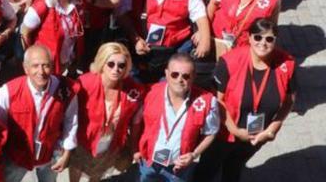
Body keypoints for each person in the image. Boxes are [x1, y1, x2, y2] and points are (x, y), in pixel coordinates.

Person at [196, 20, 296, 182]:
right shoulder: (229, 62)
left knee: (235, 166)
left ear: (276, 41)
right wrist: (235, 131)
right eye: (258, 38)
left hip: (257, 135)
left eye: (269, 39)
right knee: (207, 169)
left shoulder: (287, 64)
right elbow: (217, 101)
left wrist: (273, 128)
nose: (263, 43)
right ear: (249, 38)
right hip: (224, 133)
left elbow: (289, 101)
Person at [0, 45, 79, 182]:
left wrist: (67, 153)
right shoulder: (8, 92)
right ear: (25, 68)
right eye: (35, 66)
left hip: (49, 156)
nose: (41, 71)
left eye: (46, 65)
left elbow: (71, 122)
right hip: (17, 157)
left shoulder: (66, 90)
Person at [135, 53, 220, 182]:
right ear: (167, 74)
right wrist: (134, 149)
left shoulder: (207, 101)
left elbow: (211, 133)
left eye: (186, 76)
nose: (180, 80)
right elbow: (135, 123)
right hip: (149, 162)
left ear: (193, 77)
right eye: (175, 74)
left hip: (179, 168)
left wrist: (194, 154)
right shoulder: (150, 92)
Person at [69, 42, 145, 182]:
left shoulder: (133, 90)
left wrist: (134, 146)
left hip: (110, 143)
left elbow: (136, 121)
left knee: (97, 174)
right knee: (76, 168)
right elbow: (70, 114)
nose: (116, 69)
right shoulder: (84, 83)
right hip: (83, 141)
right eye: (111, 64)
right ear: (102, 63)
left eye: (121, 65)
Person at [21, 0, 86, 74]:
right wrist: (33, 61)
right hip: (47, 67)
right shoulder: (43, 4)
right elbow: (24, 32)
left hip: (67, 62)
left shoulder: (77, 3)